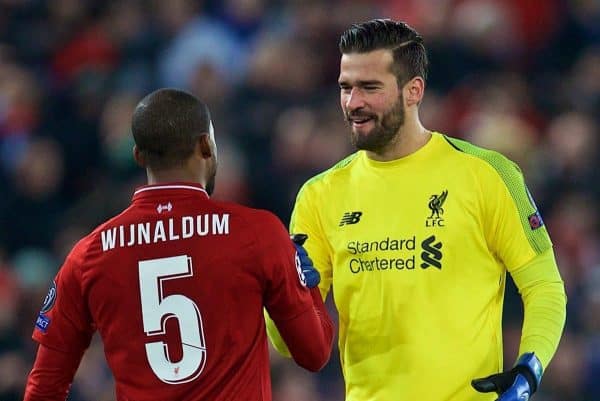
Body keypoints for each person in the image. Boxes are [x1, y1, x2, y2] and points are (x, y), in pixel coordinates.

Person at [266, 19, 566, 401]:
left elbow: (545, 286)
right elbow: (292, 345)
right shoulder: (319, 195)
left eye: (370, 87)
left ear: (414, 90)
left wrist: (529, 369)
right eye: (346, 87)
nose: (353, 102)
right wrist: (288, 296)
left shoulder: (487, 174)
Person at [23, 88, 334, 401]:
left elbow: (44, 387)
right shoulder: (258, 232)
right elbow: (314, 352)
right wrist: (306, 283)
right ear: (205, 145)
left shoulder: (89, 254)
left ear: (138, 155)